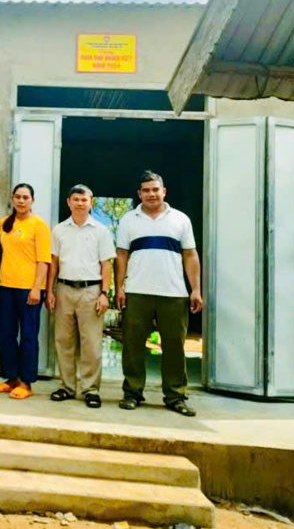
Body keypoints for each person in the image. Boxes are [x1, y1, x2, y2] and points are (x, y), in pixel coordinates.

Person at [115, 170, 202, 417]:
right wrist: (119, 287)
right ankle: (132, 393)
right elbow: (121, 255)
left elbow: (190, 255)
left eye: (155, 189)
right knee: (132, 346)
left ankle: (175, 396)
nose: (151, 194)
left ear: (164, 191)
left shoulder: (180, 220)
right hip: (137, 292)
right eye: (146, 190)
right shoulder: (128, 220)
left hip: (173, 293)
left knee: (174, 347)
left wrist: (195, 289)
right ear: (139, 194)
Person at [46, 184, 115, 408]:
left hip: (91, 291)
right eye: (75, 199)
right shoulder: (59, 230)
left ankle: (90, 389)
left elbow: (106, 264)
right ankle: (67, 386)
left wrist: (104, 293)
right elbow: (54, 263)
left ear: (91, 203)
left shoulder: (101, 231)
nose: (80, 203)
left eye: (84, 200)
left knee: (91, 343)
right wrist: (50, 290)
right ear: (68, 202)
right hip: (64, 289)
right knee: (63, 341)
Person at [0, 183, 51, 400]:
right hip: (5, 286)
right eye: (17, 197)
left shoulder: (39, 225)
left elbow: (44, 261)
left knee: (28, 336)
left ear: (32, 200)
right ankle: (12, 378)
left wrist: (37, 288)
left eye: (25, 197)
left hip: (29, 290)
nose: (21, 201)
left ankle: (26, 382)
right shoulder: (3, 223)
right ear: (12, 198)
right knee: (4, 333)